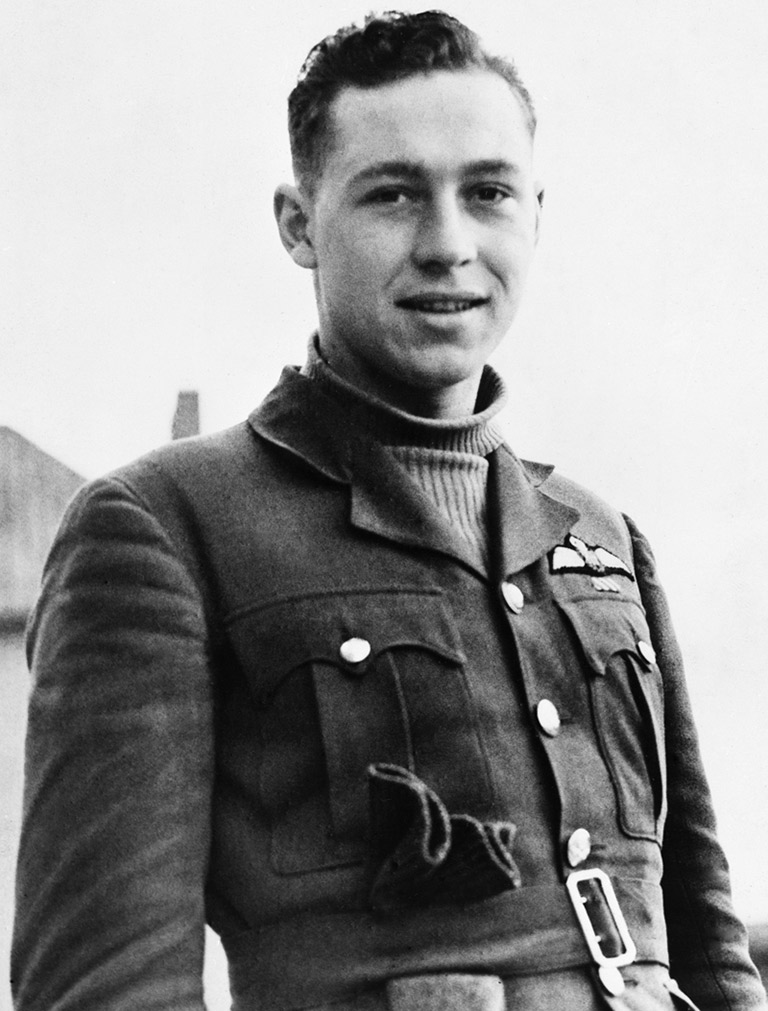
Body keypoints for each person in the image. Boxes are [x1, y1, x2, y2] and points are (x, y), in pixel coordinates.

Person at [11, 10, 767, 1011]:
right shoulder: (167, 527)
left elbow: (709, 954)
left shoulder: (603, 538)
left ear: (536, 211)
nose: (448, 245)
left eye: (488, 193)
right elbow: (106, 987)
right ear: (298, 222)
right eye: (394, 194)